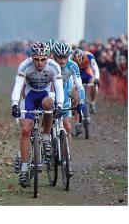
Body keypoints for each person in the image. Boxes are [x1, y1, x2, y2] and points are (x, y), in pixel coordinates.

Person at [11, 41, 64, 187]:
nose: (40, 63)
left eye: (43, 59)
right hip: (29, 97)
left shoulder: (54, 66)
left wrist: (59, 105)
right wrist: (14, 104)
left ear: (48, 58)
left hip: (45, 95)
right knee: (26, 130)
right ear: (32, 57)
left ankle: (46, 136)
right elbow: (17, 86)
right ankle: (24, 169)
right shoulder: (24, 65)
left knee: (49, 104)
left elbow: (59, 89)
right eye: (36, 59)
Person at [51, 42, 86, 175]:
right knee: (47, 121)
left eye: (65, 57)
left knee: (67, 127)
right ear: (54, 56)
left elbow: (79, 85)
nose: (62, 61)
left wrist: (81, 101)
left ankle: (67, 159)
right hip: (50, 91)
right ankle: (47, 144)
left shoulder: (73, 65)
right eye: (59, 57)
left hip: (64, 93)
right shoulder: (49, 64)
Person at [71, 49, 100, 115]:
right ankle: (73, 105)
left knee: (93, 83)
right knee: (73, 90)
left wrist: (96, 79)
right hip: (76, 73)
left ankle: (93, 103)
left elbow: (95, 69)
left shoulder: (89, 56)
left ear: (83, 57)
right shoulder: (70, 58)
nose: (79, 62)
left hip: (87, 72)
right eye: (76, 61)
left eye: (80, 60)